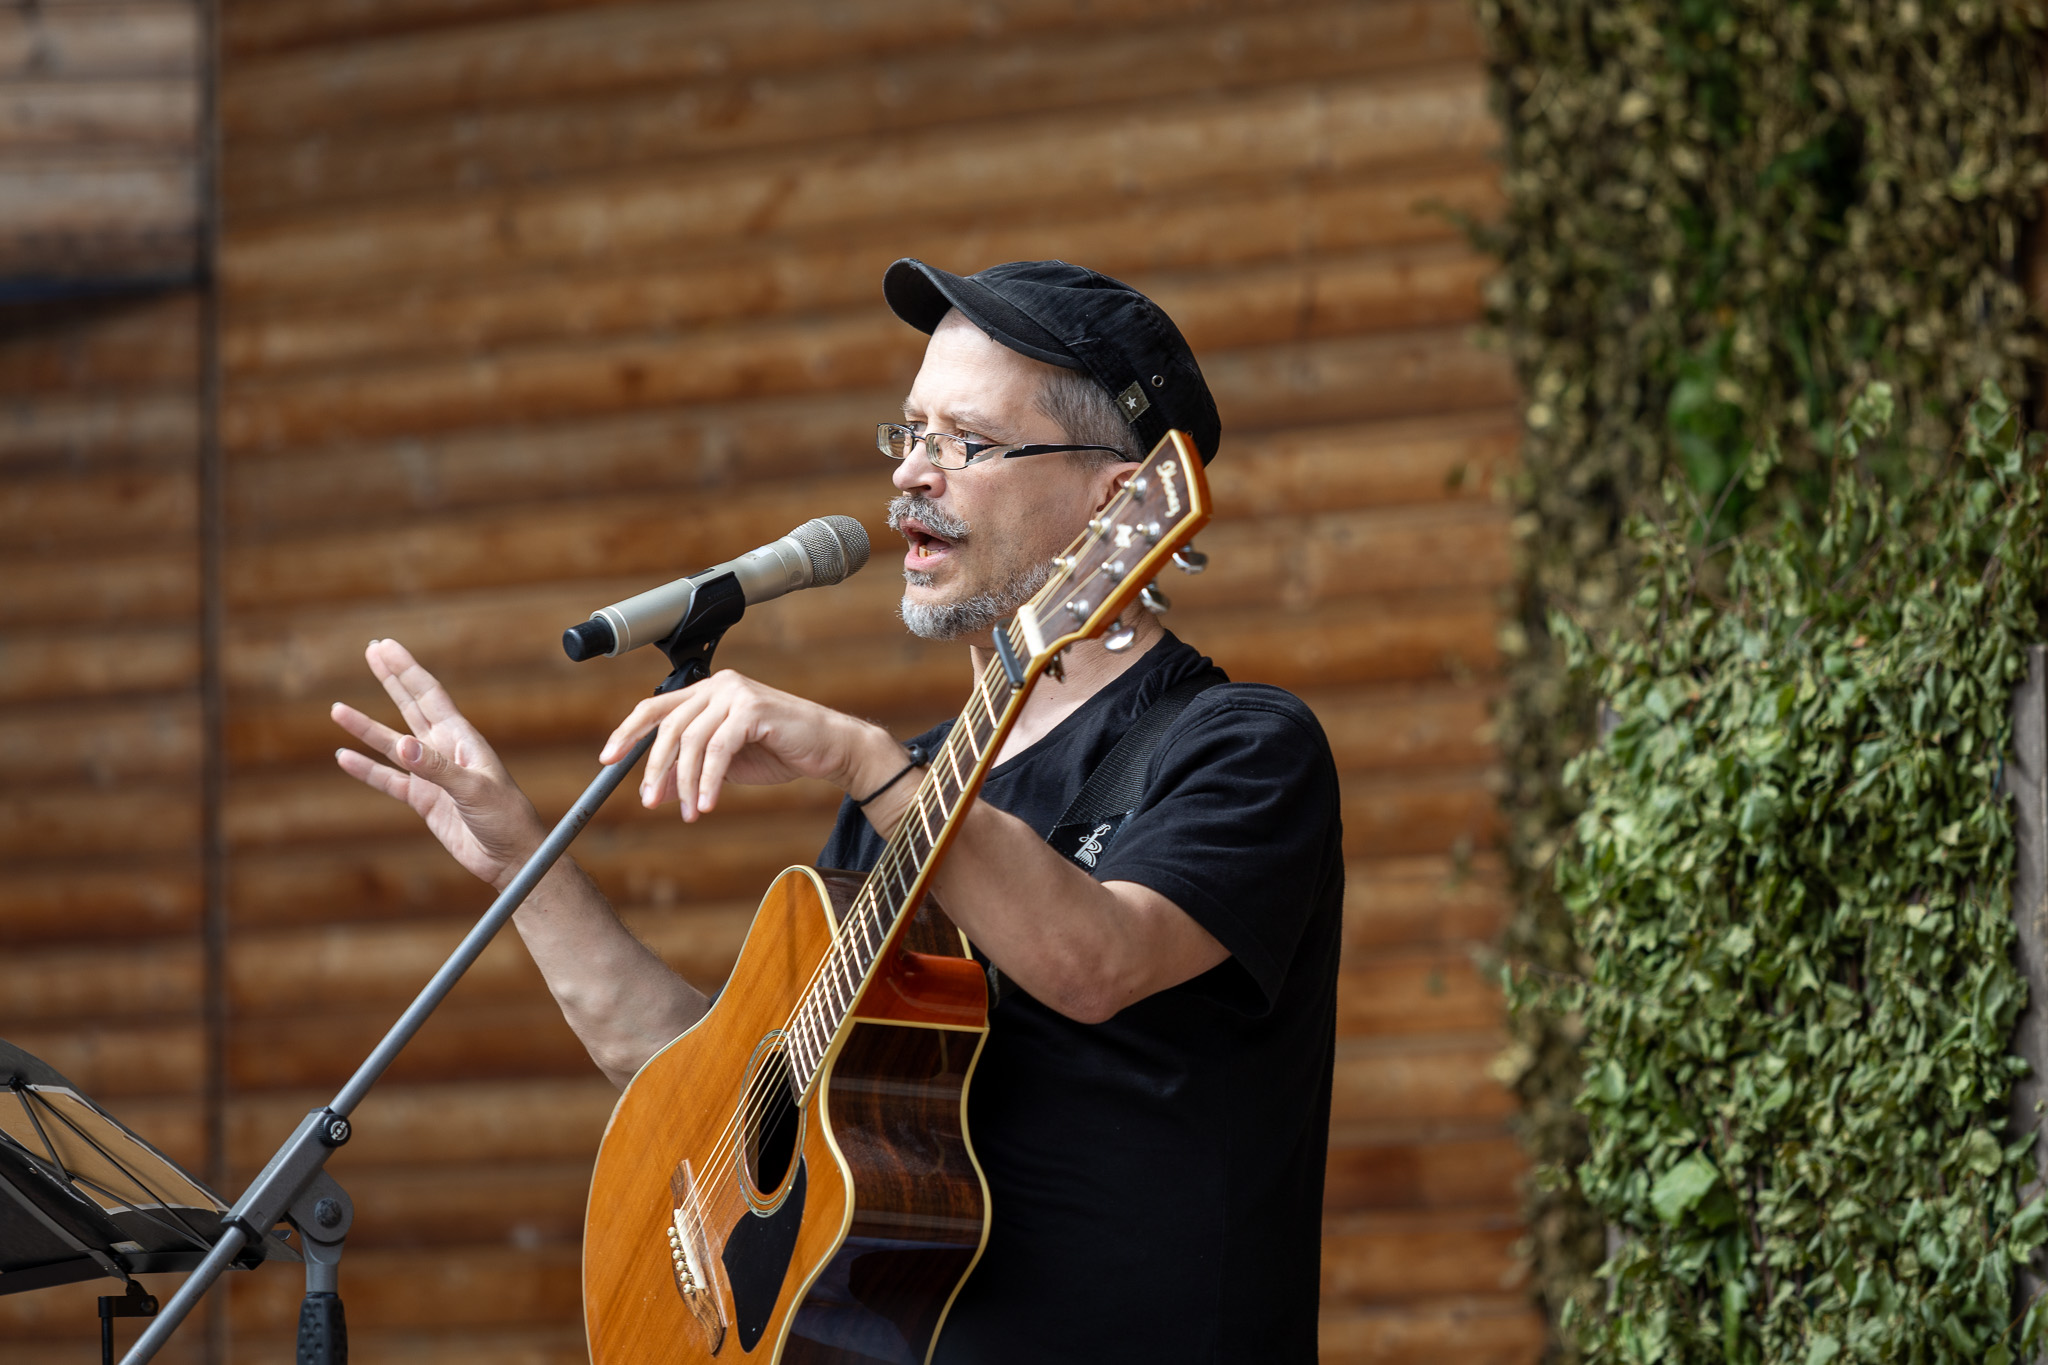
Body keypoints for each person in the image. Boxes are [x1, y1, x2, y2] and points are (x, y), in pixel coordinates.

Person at [330, 259, 1344, 1363]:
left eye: (966, 441)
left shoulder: (1237, 745)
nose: (910, 472)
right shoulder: (901, 797)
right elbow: (697, 1091)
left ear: (1116, 498)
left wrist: (868, 763)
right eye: (909, 432)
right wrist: (519, 861)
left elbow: (1096, 961)